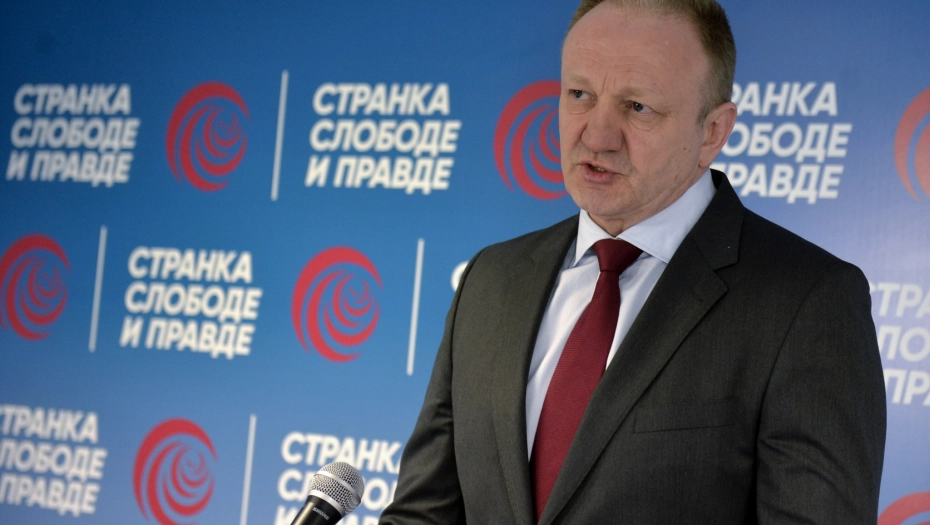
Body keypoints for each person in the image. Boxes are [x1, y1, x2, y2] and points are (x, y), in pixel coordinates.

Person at [379, 0, 887, 523]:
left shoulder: (807, 303)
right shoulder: (490, 279)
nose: (596, 136)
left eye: (638, 107)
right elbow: (425, 514)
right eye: (580, 95)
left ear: (713, 131)